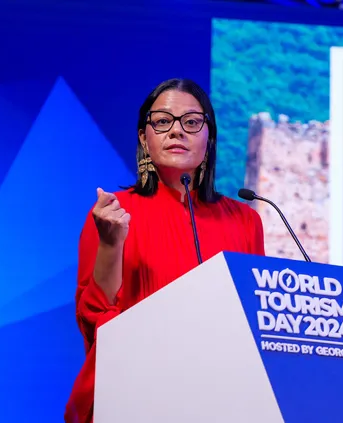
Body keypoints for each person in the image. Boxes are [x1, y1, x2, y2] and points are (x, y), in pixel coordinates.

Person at [64, 78, 266, 423]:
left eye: (191, 122)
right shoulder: (114, 213)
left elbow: (256, 322)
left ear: (209, 137)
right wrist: (111, 243)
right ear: (144, 138)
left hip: (222, 398)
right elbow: (95, 318)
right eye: (162, 121)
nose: (176, 131)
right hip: (134, 394)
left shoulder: (245, 221)